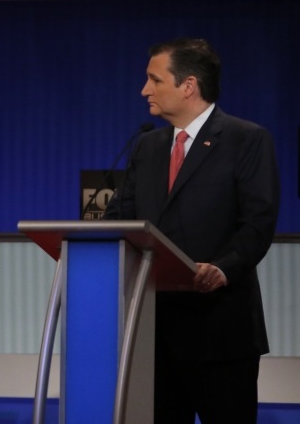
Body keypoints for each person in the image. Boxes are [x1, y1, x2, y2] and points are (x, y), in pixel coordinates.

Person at [104, 38, 279, 423]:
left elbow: (258, 222)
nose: (144, 90)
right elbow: (122, 217)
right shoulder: (146, 146)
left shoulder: (246, 139)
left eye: (154, 80)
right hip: (153, 333)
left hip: (220, 330)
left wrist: (222, 267)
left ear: (188, 85)